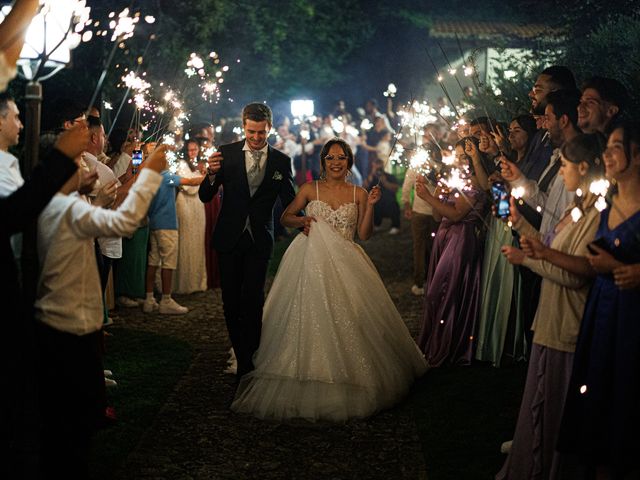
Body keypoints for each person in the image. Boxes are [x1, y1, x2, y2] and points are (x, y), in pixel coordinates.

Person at [231, 138, 427, 421]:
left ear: (349, 161)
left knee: (353, 312)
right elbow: (286, 217)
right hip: (310, 260)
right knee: (309, 310)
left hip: (348, 259)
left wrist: (370, 205)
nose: (336, 163)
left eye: (341, 158)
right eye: (331, 158)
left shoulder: (359, 192)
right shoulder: (310, 189)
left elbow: (365, 234)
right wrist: (303, 222)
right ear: (323, 162)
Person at [34, 143, 167, 478]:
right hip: (66, 321)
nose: (89, 167)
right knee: (71, 427)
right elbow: (125, 222)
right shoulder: (61, 208)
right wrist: (150, 172)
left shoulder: (63, 203)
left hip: (69, 315)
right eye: (79, 163)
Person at [498, 133, 605, 480]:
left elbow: (576, 273)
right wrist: (520, 225)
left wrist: (526, 260)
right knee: (540, 403)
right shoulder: (579, 209)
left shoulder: (596, 215)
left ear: (583, 167)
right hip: (551, 321)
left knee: (557, 409)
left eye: (564, 166)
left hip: (568, 325)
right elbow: (548, 246)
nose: (560, 173)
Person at [558, 121, 640, 478]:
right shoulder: (607, 206)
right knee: (599, 398)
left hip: (634, 319)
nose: (606, 153)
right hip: (603, 311)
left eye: (617, 147)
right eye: (606, 146)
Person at [199, 103, 297, 380]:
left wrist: (310, 217)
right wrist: (211, 174)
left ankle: (249, 356)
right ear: (243, 126)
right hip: (229, 237)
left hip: (260, 240)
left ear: (270, 128)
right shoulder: (225, 155)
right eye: (251, 132)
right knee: (231, 301)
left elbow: (291, 201)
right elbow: (206, 196)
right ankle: (240, 351)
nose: (256, 138)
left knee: (253, 298)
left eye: (261, 132)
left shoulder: (280, 161)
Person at [416, 138, 488, 367]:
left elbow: (457, 215)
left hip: (460, 240)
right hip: (445, 238)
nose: (458, 160)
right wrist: (436, 195)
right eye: (456, 156)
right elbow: (439, 216)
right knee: (437, 294)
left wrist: (427, 198)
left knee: (442, 293)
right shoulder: (455, 180)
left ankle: (446, 346)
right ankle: (432, 343)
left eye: (463, 156)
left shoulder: (474, 183)